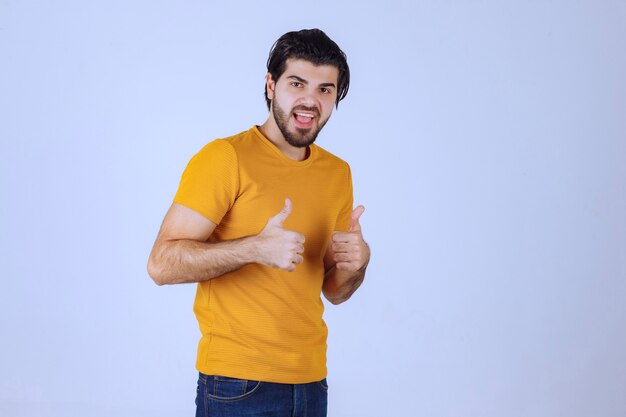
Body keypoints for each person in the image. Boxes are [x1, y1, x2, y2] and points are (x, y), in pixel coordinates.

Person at [147, 28, 370, 417]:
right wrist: (255, 248)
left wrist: (356, 265)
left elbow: (334, 291)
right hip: (237, 385)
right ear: (270, 85)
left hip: (312, 382)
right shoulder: (225, 158)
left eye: (324, 89)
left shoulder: (338, 173)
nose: (310, 100)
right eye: (297, 83)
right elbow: (161, 264)